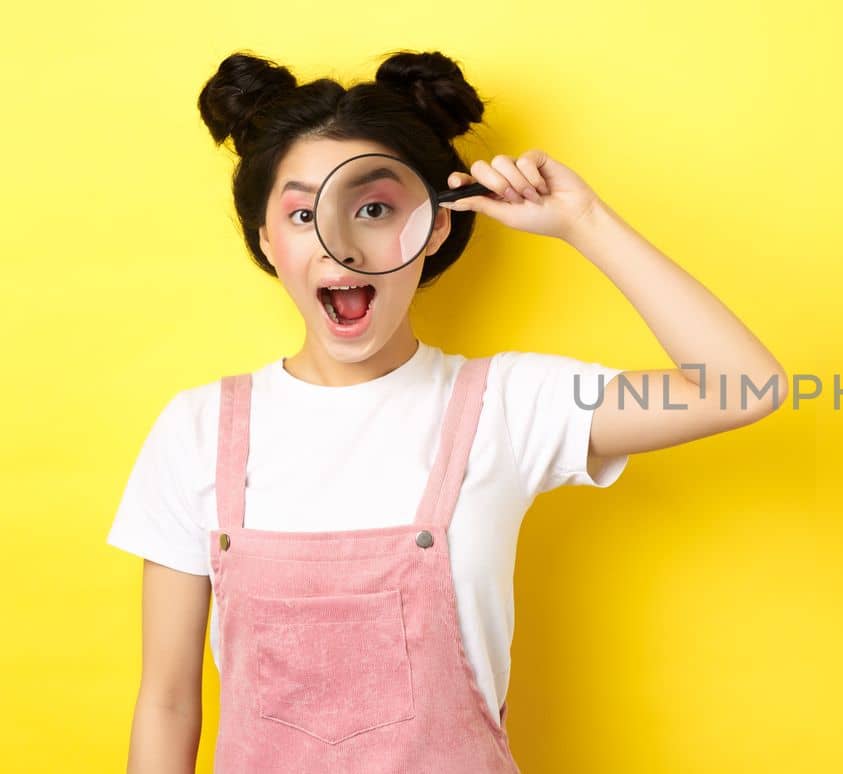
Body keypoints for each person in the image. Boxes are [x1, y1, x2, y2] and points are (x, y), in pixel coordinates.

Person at [107, 49, 786, 773]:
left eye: (374, 209)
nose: (342, 243)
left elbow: (744, 386)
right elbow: (169, 701)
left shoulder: (511, 405)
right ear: (268, 242)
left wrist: (585, 221)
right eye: (303, 214)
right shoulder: (197, 429)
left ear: (433, 228)